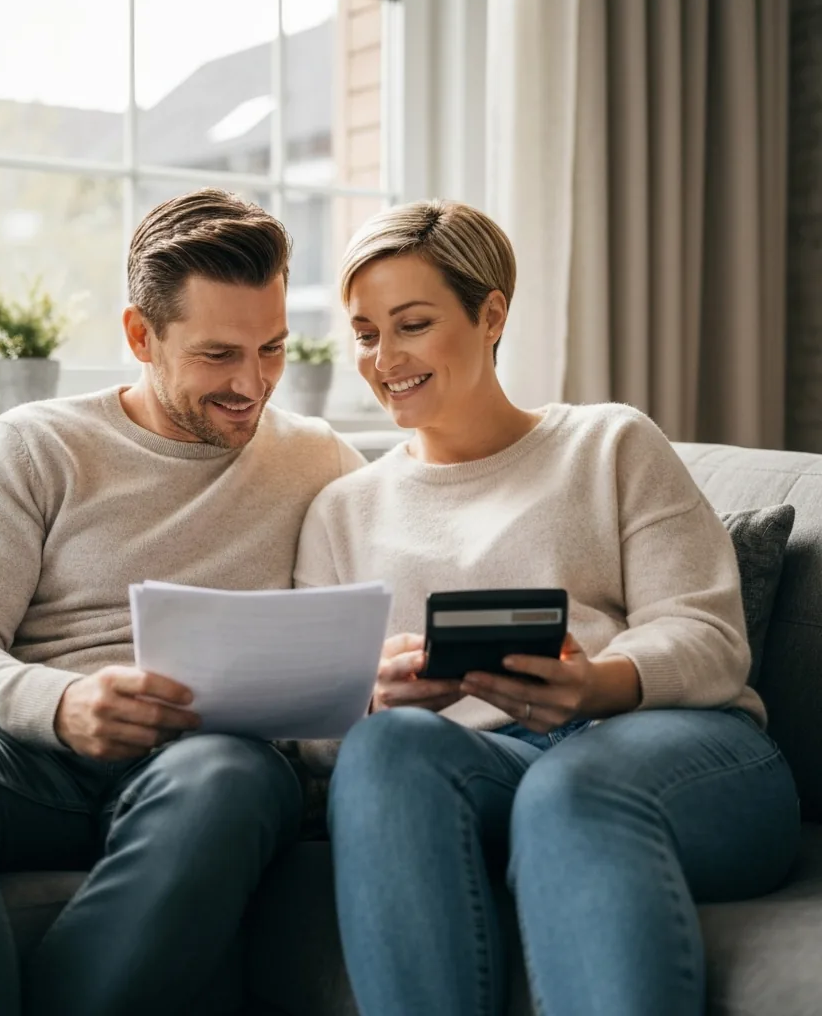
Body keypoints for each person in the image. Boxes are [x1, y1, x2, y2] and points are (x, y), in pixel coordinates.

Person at [0, 188, 363, 1016]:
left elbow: (385, 610)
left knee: (231, 772)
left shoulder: (320, 458)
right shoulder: (37, 445)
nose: (252, 384)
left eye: (272, 348)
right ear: (140, 336)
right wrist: (66, 702)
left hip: (204, 771)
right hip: (35, 763)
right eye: (219, 354)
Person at [294, 200, 800, 1016]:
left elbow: (709, 637)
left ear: (490, 314)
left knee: (573, 788)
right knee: (384, 749)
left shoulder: (609, 445)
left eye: (412, 324)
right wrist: (367, 698)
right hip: (488, 771)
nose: (384, 358)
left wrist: (599, 683)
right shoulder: (340, 511)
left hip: (669, 754)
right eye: (363, 333)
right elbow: (314, 729)